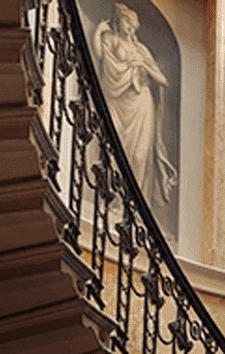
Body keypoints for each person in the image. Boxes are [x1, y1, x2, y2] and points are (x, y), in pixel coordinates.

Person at [93, 4, 177, 209]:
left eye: (132, 23)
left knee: (140, 155)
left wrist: (143, 65)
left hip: (141, 103)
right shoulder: (110, 39)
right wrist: (97, 32)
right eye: (125, 21)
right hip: (117, 99)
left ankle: (135, 208)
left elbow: (162, 80)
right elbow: (99, 56)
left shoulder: (141, 50)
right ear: (118, 22)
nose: (129, 26)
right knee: (115, 147)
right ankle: (114, 202)